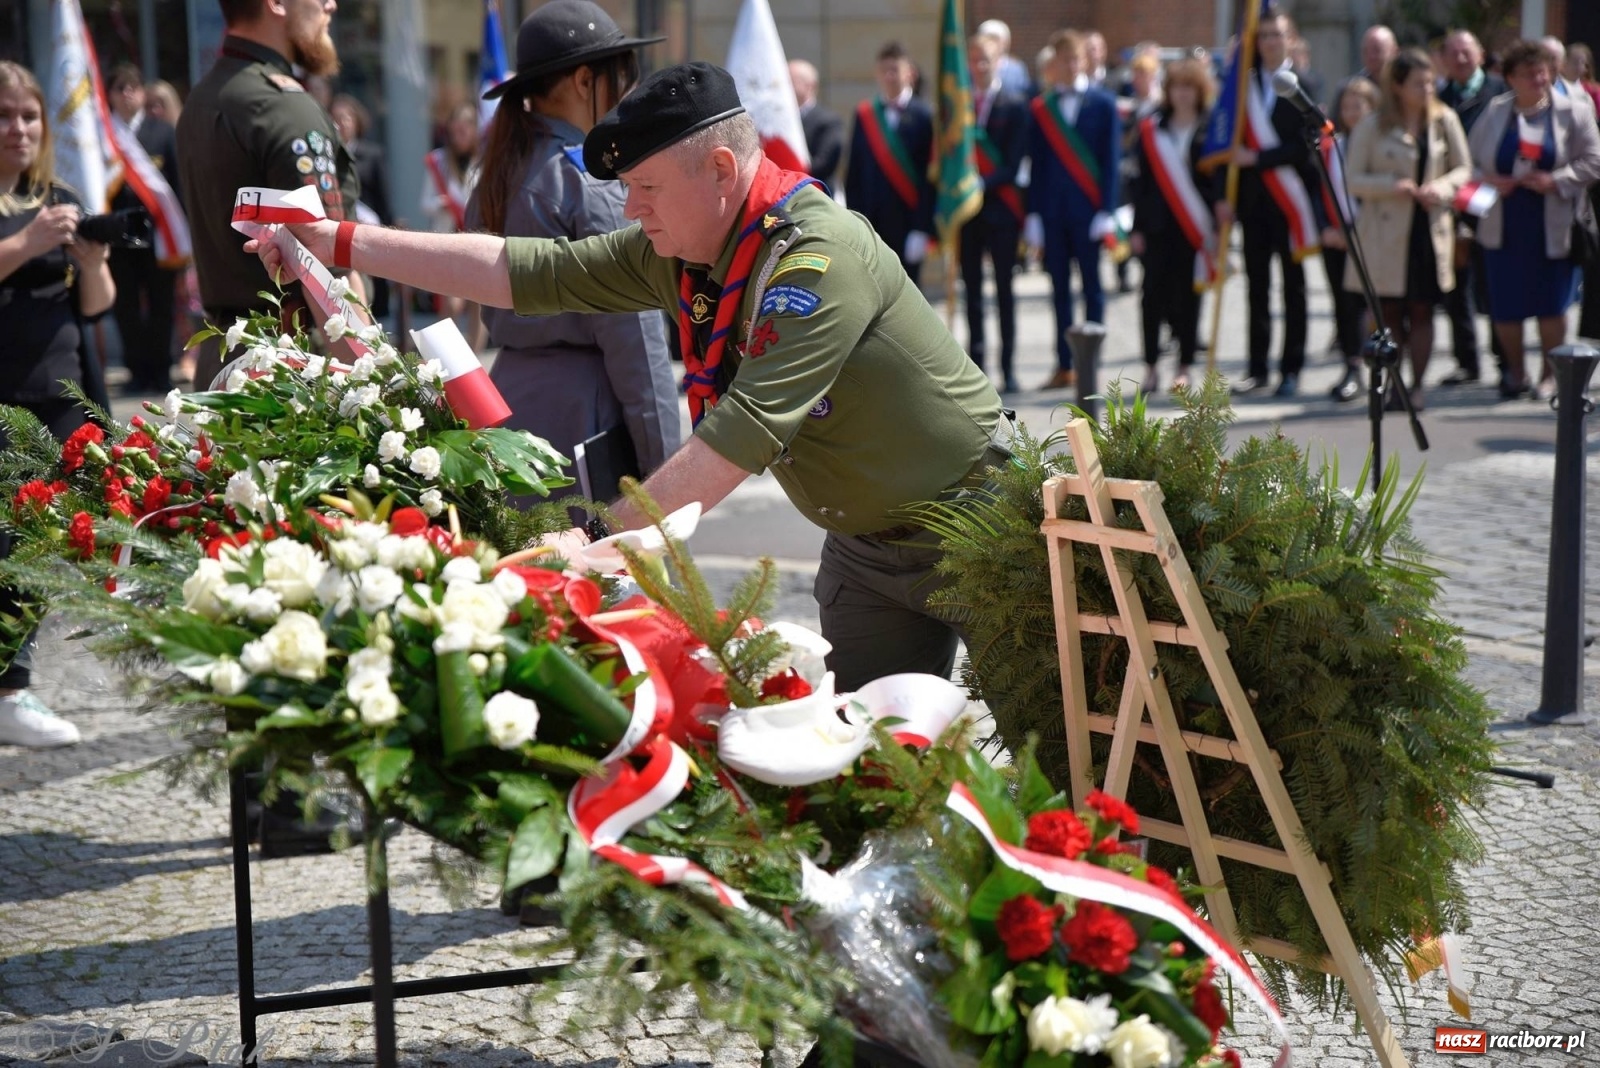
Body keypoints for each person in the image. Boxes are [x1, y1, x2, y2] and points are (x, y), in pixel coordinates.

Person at [250, 62, 1006, 692]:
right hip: (866, 548)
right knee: (873, 774)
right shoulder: (686, 247)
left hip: (978, 525)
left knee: (1065, 769)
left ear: (719, 171)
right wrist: (336, 241)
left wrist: (591, 540)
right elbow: (527, 272)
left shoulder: (814, 258)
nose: (629, 207)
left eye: (645, 187)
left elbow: (738, 437)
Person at [467, 0, 678, 504]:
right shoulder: (588, 182)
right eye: (620, 76)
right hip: (586, 419)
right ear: (585, 80)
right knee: (598, 578)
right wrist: (669, 478)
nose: (625, 92)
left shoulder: (495, 176)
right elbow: (638, 346)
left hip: (507, 405)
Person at [0, 61, 116, 747]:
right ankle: (10, 689)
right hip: (4, 399)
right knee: (6, 545)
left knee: (47, 547)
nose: (18, 129)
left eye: (29, 116)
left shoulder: (56, 194)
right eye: (4, 116)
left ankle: (12, 687)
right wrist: (27, 241)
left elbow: (94, 306)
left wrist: (95, 261)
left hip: (62, 397)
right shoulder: (33, 219)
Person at [176, 0, 362, 391]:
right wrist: (374, 381)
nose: (331, 4)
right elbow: (327, 276)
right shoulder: (283, 107)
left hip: (221, 361)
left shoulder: (203, 96)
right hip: (286, 375)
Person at [1468, 39, 1600, 400]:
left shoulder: (1574, 110)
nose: (1539, 80)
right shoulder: (1496, 110)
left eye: (1543, 72)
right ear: (1510, 78)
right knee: (1506, 307)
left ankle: (1550, 374)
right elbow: (1470, 162)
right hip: (1504, 223)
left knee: (1552, 306)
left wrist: (1554, 181)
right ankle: (1516, 373)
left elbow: (1594, 161)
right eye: (1529, 74)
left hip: (1554, 224)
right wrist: (1491, 180)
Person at [1343, 50, 1470, 413]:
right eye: (1419, 83)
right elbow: (1353, 179)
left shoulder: (1445, 120)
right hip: (1385, 234)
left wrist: (1441, 189)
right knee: (1388, 313)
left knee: (1423, 310)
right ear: (1397, 86)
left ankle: (1416, 386)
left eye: (1431, 81)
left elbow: (1464, 169)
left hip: (1428, 230)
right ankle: (1392, 385)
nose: (1427, 88)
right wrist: (1391, 185)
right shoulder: (1373, 124)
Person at [1211, 6, 1321, 397]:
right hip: (1253, 203)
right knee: (1257, 287)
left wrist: (1258, 158)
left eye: (1278, 35)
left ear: (1289, 39)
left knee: (1294, 288)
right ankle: (1257, 368)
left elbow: (1305, 148)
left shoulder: (1303, 82)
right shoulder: (1241, 85)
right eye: (1265, 35)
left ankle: (1291, 369)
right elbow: (1227, 141)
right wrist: (1224, 195)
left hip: (1290, 203)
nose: (1271, 42)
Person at [1024, 29, 1120, 391]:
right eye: (1062, 59)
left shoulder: (1104, 103)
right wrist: (1033, 214)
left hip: (1089, 212)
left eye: (1074, 58)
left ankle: (1091, 361)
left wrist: (1107, 210)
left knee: (1092, 287)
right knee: (1059, 288)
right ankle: (1064, 364)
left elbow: (1110, 160)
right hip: (1052, 213)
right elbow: (1037, 165)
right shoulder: (1042, 108)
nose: (1068, 65)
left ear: (1083, 60)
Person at [1128, 57, 1214, 394]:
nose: (1183, 95)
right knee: (1151, 298)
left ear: (1199, 91)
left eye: (1189, 87)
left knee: (1188, 299)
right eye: (1177, 87)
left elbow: (1217, 179)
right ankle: (1150, 367)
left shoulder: (1211, 127)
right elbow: (1140, 182)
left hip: (1194, 227)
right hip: (1156, 226)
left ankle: (1184, 365)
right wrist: (1136, 228)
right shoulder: (1152, 128)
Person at [105, 63, 183, 395]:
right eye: (120, 88)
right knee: (126, 307)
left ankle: (162, 371)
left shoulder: (162, 131)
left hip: (158, 236)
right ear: (109, 94)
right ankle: (136, 371)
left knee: (162, 305)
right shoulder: (101, 134)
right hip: (119, 237)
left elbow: (177, 186)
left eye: (133, 87)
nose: (127, 94)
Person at [1438, 28, 1509, 387]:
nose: (1461, 59)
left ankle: (1506, 361)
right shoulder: (1437, 97)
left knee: (1495, 282)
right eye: (1453, 53)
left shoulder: (1500, 92)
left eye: (1466, 51)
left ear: (1480, 54)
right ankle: (1467, 361)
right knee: (1457, 286)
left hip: (1493, 200)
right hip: (1453, 204)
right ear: (1444, 60)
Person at [960, 33, 1027, 393]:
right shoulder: (959, 106)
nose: (979, 66)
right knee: (972, 291)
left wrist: (979, 184)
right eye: (973, 59)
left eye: (985, 59)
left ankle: (1009, 367)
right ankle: (978, 366)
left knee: (1004, 291)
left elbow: (1013, 165)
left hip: (1001, 211)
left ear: (999, 60)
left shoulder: (1014, 104)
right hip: (968, 216)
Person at [845, 41, 934, 283]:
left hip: (909, 222)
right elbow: (854, 173)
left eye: (895, 69)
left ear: (910, 73)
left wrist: (922, 227)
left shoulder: (925, 116)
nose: (889, 76)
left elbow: (930, 177)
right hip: (872, 223)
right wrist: (855, 221)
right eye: (884, 70)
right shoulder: (865, 114)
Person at [1322, 77, 1379, 401]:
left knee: (1371, 305)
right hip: (1335, 237)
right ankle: (1351, 366)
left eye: (1359, 106)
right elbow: (1317, 191)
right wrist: (1327, 228)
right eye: (1346, 107)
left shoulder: (1379, 144)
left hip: (1371, 235)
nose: (1352, 112)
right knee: (1344, 305)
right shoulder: (1332, 145)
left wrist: (1355, 231)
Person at [789, 59, 843, 189]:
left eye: (791, 81)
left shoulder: (829, 121)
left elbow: (823, 164)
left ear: (810, 85)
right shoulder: (776, 121)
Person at [976, 19, 1034, 98]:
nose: (993, 44)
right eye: (989, 39)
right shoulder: (972, 66)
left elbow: (1023, 93)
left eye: (996, 39)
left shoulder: (1016, 68)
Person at [1563, 43, 1600, 113]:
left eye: (1582, 63)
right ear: (1564, 63)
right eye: (1575, 62)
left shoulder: (1593, 91)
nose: (1578, 67)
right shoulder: (1555, 87)